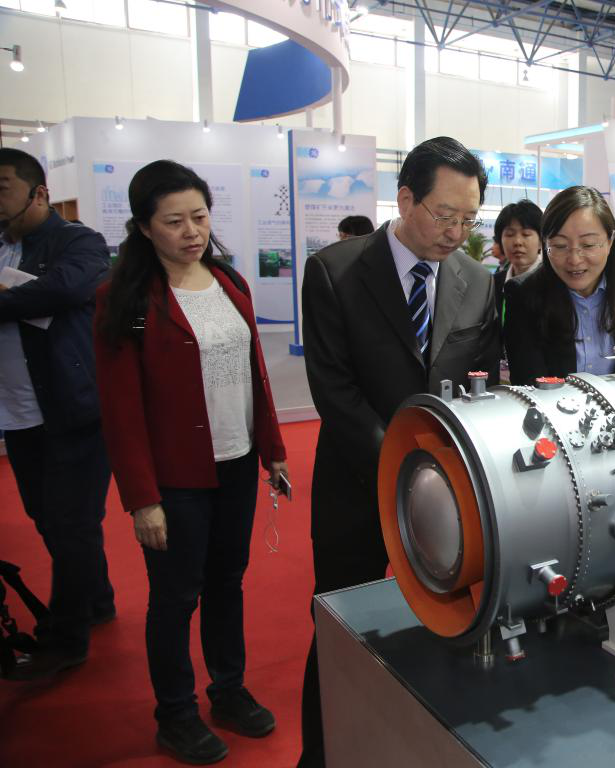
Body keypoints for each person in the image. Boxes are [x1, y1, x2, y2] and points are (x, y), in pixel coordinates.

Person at [298, 136, 500, 768]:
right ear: (406, 198)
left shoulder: (477, 281)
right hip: (357, 485)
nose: (457, 233)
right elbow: (335, 390)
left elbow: (482, 383)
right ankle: (323, 752)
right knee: (340, 626)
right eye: (445, 215)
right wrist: (401, 470)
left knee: (445, 619)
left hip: (450, 493)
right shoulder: (335, 271)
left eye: (470, 220)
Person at [93, 160, 288, 764]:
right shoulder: (125, 297)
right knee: (176, 596)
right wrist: (142, 499)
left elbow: (255, 374)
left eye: (199, 217)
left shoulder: (229, 281)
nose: (191, 232)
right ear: (143, 227)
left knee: (227, 582)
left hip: (236, 462)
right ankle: (175, 714)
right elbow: (120, 410)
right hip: (175, 476)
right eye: (173, 221)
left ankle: (227, 690)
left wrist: (273, 451)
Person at [0, 148, 115, 681]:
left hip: (73, 408)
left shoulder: (78, 240)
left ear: (39, 192)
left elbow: (66, 288)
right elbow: (43, 298)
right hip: (19, 412)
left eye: (3, 187)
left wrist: (17, 296)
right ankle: (96, 598)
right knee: (48, 518)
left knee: (72, 524)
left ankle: (65, 639)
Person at [503, 185, 615, 384]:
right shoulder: (524, 294)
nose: (574, 259)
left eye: (588, 244)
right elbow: (528, 384)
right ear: (545, 244)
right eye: (560, 246)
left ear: (610, 241)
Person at [491, 199, 543, 324]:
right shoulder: (494, 284)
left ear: (541, 241)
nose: (517, 242)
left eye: (526, 234)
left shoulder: (554, 283)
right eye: (509, 235)